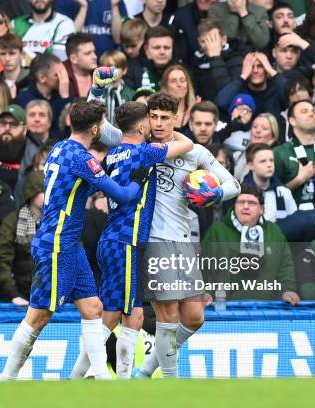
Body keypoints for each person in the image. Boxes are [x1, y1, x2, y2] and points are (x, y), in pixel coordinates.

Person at [0, 98, 151, 381]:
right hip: (56, 244)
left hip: (69, 244)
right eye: (102, 126)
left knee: (93, 308)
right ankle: (5, 379)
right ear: (94, 129)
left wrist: (97, 91)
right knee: (39, 316)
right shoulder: (84, 161)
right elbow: (120, 195)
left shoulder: (58, 148)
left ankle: (96, 380)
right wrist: (137, 180)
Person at [70, 99, 193, 380]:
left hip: (115, 240)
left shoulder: (112, 154)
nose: (156, 124)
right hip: (126, 241)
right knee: (113, 314)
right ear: (141, 125)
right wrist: (173, 127)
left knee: (134, 315)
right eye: (151, 119)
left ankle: (119, 380)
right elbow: (187, 144)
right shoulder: (145, 153)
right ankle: (82, 376)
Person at [132, 93, 241, 379]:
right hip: (152, 241)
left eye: (164, 118)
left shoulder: (194, 153)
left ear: (177, 119)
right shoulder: (138, 147)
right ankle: (172, 384)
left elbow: (235, 185)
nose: (157, 123)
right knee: (166, 319)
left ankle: (145, 370)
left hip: (184, 243)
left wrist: (216, 193)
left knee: (194, 317)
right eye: (153, 116)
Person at [201, 184, 300, 301]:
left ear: (261, 209)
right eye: (241, 202)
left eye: (252, 203)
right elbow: (204, 266)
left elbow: (286, 265)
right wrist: (206, 292)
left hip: (268, 309)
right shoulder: (217, 231)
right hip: (225, 309)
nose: (246, 206)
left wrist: (288, 290)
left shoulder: (274, 232)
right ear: (234, 206)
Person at [0, 170, 45, 304]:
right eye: (44, 191)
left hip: (56, 293)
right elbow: (2, 259)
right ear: (32, 193)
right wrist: (13, 294)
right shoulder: (13, 221)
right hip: (22, 293)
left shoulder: (59, 221)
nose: (49, 196)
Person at [273, 99, 315, 209]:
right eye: (304, 111)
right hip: (293, 217)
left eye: (313, 111)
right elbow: (273, 196)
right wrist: (298, 180)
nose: (311, 114)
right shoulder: (280, 153)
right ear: (292, 120)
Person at [191, 18, 243, 102]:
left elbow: (228, 93)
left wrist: (215, 58)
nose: (209, 45)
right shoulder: (195, 61)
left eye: (213, 40)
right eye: (204, 41)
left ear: (224, 40)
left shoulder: (236, 58)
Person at [242, 143, 297, 222]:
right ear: (251, 166)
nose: (269, 165)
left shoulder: (284, 192)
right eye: (263, 161)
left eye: (271, 160)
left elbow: (294, 222)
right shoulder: (240, 194)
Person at [161, 64, 197, 132]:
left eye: (182, 80)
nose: (179, 84)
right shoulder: (158, 113)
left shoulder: (196, 111)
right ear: (166, 87)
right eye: (173, 81)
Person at [0, 33, 31, 99]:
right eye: (3, 54)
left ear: (22, 55)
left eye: (12, 53)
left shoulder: (33, 80)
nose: (7, 59)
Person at [63, 32, 98, 98]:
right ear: (73, 59)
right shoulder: (59, 77)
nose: (94, 56)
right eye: (88, 53)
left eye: (94, 52)